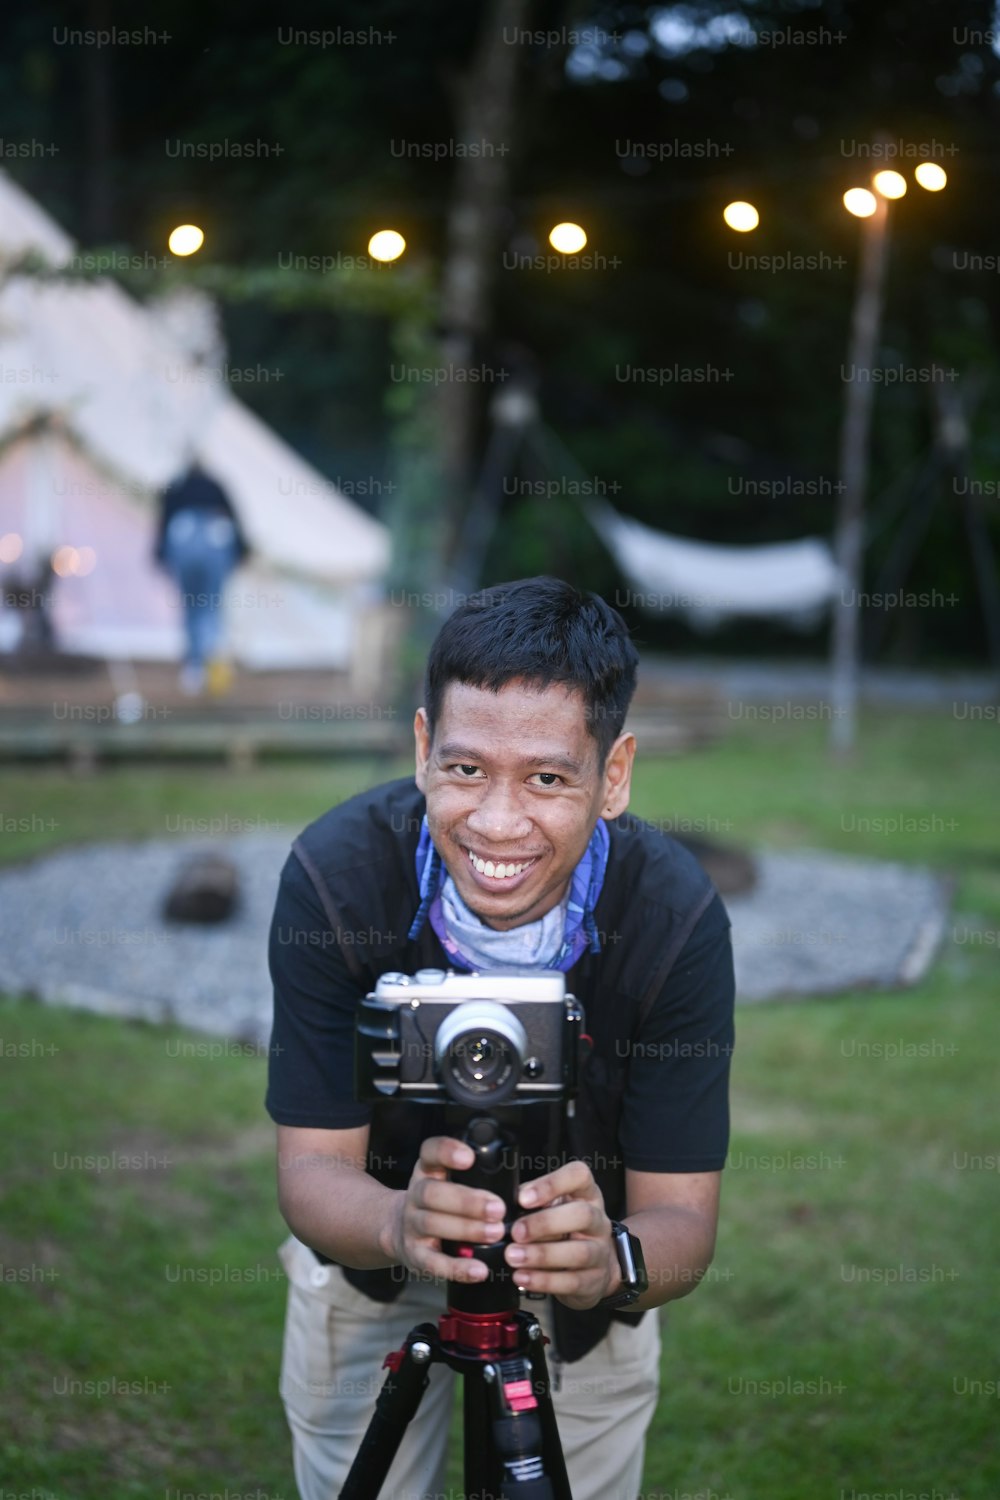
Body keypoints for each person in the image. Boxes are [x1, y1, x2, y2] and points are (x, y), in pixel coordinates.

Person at [266, 575, 735, 1500]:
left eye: (549, 778)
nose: (498, 821)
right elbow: (312, 1169)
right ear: (422, 748)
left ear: (616, 776)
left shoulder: (673, 919)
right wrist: (398, 1223)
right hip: (373, 1248)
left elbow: (683, 1217)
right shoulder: (337, 879)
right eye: (467, 767)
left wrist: (613, 1263)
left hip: (582, 1276)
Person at [153, 458, 249, 694]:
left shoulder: (176, 488)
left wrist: (160, 552)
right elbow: (234, 517)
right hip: (214, 544)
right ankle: (210, 663)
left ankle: (197, 667)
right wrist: (242, 549)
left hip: (184, 542)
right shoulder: (215, 486)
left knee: (193, 607)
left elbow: (164, 521)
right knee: (210, 606)